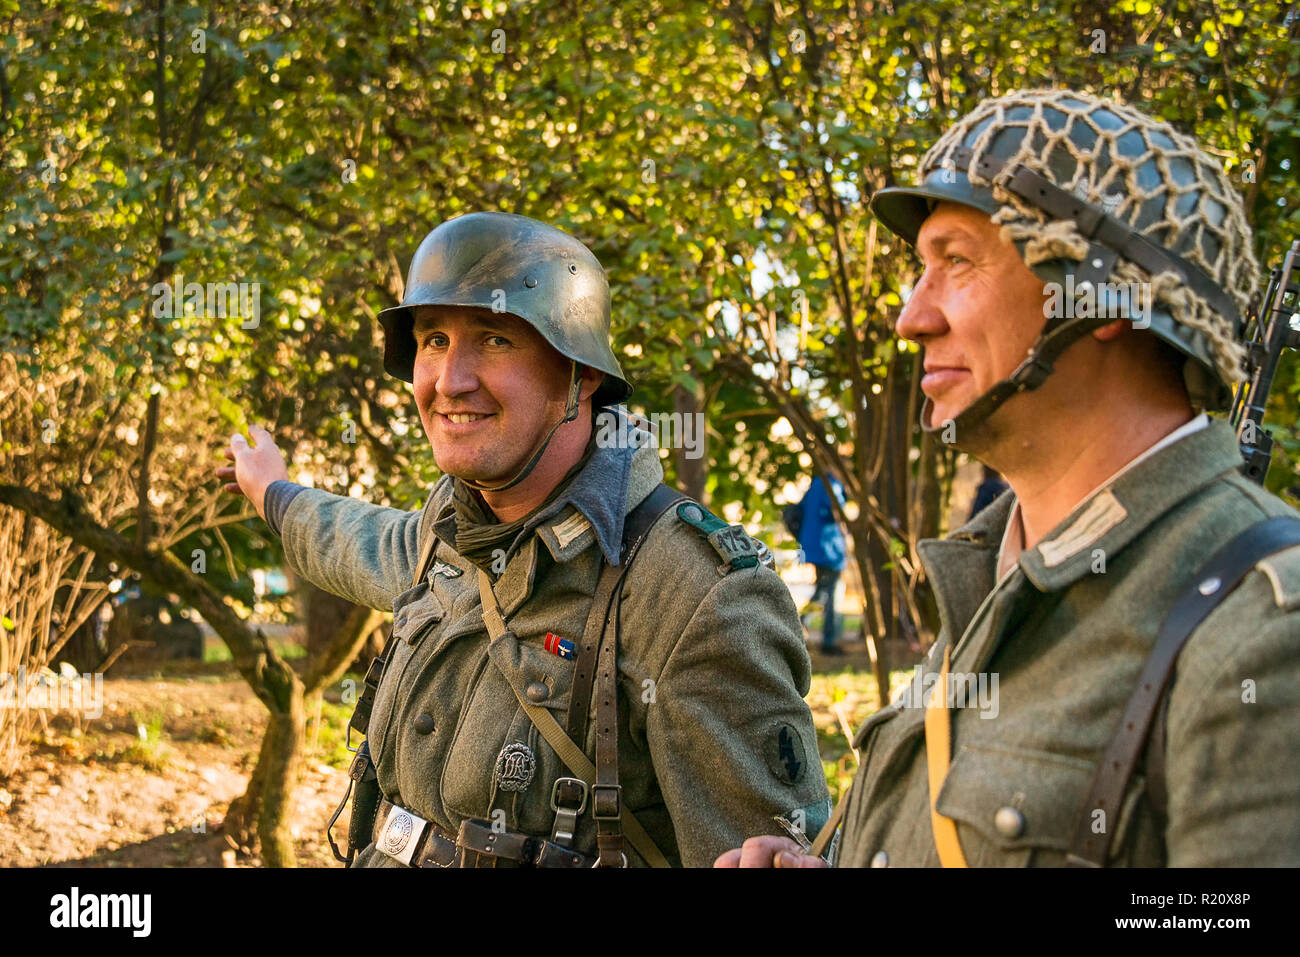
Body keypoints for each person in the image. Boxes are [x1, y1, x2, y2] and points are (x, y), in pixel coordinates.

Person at [717, 89, 1300, 868]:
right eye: (921, 269)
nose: (911, 317)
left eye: (955, 261)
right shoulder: (990, 583)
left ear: (1104, 297)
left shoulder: (1263, 631)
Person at [219, 212, 829, 868]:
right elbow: (359, 539)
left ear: (580, 375)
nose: (449, 381)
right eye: (432, 340)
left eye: (495, 340)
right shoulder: (449, 534)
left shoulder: (691, 594)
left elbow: (765, 849)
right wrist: (274, 495)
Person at [790, 474, 848, 654]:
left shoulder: (815, 484)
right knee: (829, 593)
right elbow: (836, 513)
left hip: (814, 547)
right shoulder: (833, 486)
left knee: (822, 591)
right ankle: (826, 640)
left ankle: (797, 630)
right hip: (829, 549)